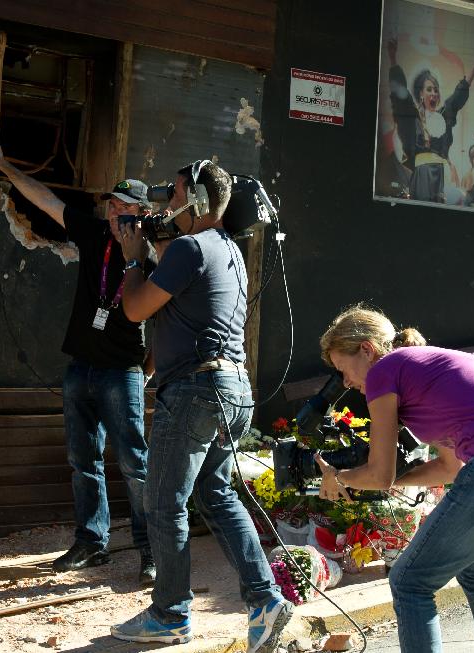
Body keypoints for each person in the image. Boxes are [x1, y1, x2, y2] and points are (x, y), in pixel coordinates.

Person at [109, 160, 293, 652]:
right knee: (214, 494)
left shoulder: (191, 246)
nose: (167, 204)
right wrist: (154, 249)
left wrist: (132, 258)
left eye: (174, 195)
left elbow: (133, 309)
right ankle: (265, 599)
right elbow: (182, 301)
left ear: (198, 202)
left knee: (164, 501)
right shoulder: (226, 248)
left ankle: (169, 614)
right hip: (233, 390)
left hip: (195, 392)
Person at [0, 140, 157, 585]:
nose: (113, 212)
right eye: (111, 204)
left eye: (122, 207)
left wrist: (147, 369)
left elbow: (167, 319)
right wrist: (4, 164)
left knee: (135, 464)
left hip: (123, 372)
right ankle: (90, 542)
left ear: (139, 213)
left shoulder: (151, 256)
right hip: (81, 367)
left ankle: (150, 549)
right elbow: (46, 199)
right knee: (83, 460)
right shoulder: (94, 233)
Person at [315, 304, 474, 653]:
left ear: (367, 349)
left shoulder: (385, 369)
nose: (346, 382)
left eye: (344, 368)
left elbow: (380, 474)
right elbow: (448, 469)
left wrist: (339, 478)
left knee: (410, 582)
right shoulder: (424, 368)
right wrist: (366, 479)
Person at [387, 37, 474, 203]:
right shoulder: (414, 117)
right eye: (429, 89)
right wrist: (392, 58)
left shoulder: (444, 115)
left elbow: (457, 97)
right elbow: (401, 95)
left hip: (443, 173)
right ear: (421, 94)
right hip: (422, 174)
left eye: (436, 90)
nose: (434, 93)